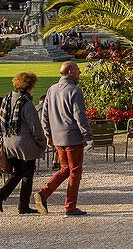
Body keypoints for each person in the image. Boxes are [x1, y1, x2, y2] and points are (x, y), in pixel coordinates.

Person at [35, 61, 92, 216]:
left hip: (58, 138)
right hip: (72, 138)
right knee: (75, 172)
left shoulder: (51, 89)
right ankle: (70, 206)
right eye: (78, 70)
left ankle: (43, 193)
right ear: (71, 72)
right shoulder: (75, 90)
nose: (80, 73)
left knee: (65, 169)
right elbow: (79, 116)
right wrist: (88, 136)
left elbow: (44, 116)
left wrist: (48, 135)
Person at [0, 72, 46, 214]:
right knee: (27, 174)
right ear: (30, 86)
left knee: (17, 172)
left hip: (8, 141)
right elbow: (35, 125)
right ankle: (23, 205)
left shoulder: (7, 98)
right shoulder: (26, 102)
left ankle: (0, 196)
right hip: (24, 144)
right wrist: (41, 142)